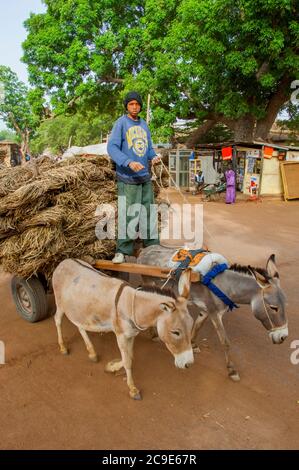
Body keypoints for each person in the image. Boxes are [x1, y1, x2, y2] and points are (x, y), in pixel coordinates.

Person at [107, 91, 161, 263]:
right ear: (126, 106)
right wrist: (128, 162)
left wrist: (154, 156)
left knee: (149, 214)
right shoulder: (121, 123)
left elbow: (149, 148)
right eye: (131, 104)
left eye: (137, 104)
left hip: (145, 177)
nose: (135, 107)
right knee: (129, 214)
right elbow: (112, 148)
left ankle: (153, 247)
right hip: (127, 178)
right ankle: (122, 251)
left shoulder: (144, 125)